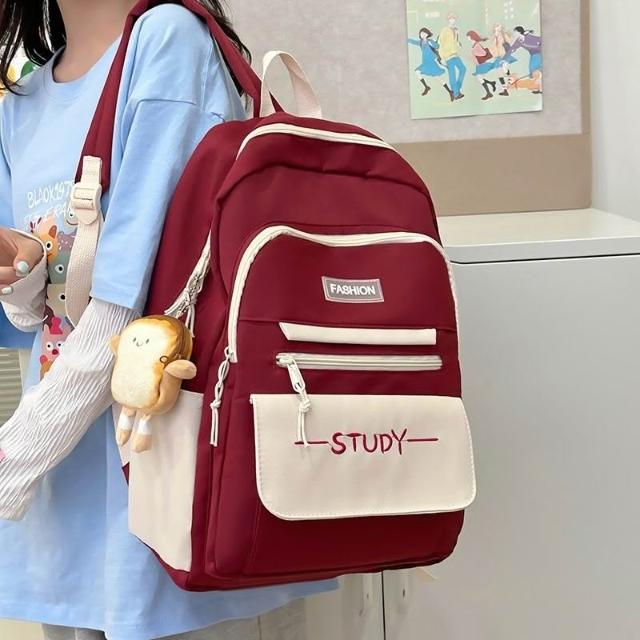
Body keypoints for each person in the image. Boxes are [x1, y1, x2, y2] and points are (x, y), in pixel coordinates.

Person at [0, 1, 336, 639]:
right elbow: (32, 315)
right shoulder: (22, 99)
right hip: (65, 497)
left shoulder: (167, 39)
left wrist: (13, 458)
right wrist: (24, 273)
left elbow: (130, 308)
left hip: (165, 482)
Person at [407, 27, 449, 98]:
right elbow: (412, 41)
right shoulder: (420, 43)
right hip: (425, 63)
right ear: (420, 34)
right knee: (417, 72)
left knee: (438, 78)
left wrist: (432, 43)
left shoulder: (430, 41)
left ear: (427, 34)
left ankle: (450, 91)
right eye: (421, 33)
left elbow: (437, 46)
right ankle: (426, 87)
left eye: (424, 33)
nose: (423, 35)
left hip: (432, 62)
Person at [437, 12, 466, 101]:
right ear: (448, 20)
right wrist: (442, 58)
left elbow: (456, 44)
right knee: (452, 74)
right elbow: (440, 43)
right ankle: (456, 93)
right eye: (451, 18)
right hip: (447, 55)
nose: (453, 20)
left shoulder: (455, 30)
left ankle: (456, 89)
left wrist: (457, 35)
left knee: (463, 69)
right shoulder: (444, 30)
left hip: (455, 54)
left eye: (454, 18)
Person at [466, 30, 498, 101]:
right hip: (480, 64)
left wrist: (474, 54)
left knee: (479, 78)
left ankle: (489, 92)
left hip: (484, 63)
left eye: (468, 36)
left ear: (471, 36)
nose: (467, 38)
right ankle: (491, 84)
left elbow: (483, 53)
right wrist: (471, 57)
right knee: (480, 78)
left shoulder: (476, 45)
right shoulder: (474, 44)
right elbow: (476, 56)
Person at [510, 26, 543, 94]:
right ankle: (540, 89)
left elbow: (539, 39)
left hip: (538, 54)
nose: (514, 34)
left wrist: (538, 45)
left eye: (515, 32)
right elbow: (513, 48)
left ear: (519, 32)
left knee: (536, 71)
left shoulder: (529, 37)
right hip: (534, 55)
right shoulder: (519, 41)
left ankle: (540, 89)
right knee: (534, 72)